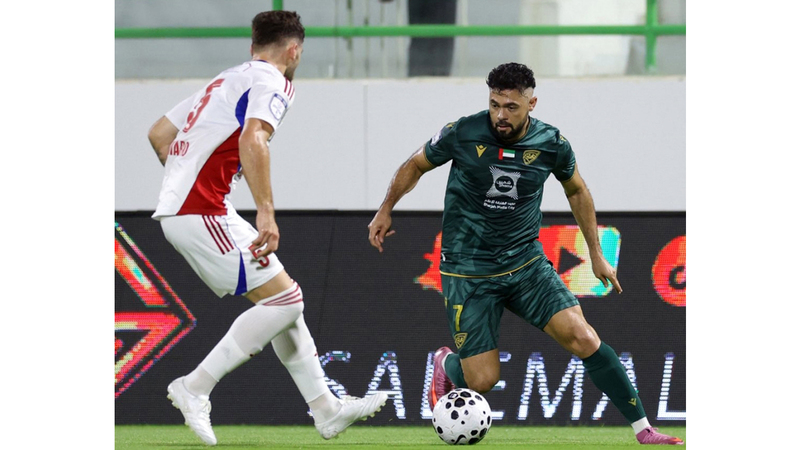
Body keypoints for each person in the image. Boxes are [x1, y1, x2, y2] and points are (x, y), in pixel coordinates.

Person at [367, 62, 684, 445]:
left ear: (531, 104)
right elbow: (416, 164)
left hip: (525, 264)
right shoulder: (462, 132)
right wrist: (386, 208)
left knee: (583, 336)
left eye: (511, 107)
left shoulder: (551, 143)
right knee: (483, 380)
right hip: (468, 271)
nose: (500, 115)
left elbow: (577, 190)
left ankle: (643, 429)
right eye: (494, 104)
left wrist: (596, 253)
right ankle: (447, 363)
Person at [147, 10, 388, 446]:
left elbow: (160, 135)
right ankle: (194, 386)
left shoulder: (227, 79)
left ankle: (327, 409)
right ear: (294, 50)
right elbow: (253, 137)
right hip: (202, 210)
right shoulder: (274, 82)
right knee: (286, 301)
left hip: (193, 208)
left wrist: (185, 179)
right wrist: (266, 212)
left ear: (252, 46)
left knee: (285, 300)